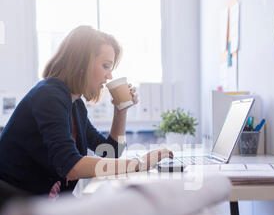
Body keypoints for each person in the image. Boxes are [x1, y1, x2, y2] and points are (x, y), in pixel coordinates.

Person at [0, 25, 172, 198]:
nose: (109, 76)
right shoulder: (49, 95)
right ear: (82, 63)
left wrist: (121, 110)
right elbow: (71, 165)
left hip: (39, 202)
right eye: (105, 66)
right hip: (14, 203)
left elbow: (110, 152)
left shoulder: (76, 105)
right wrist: (139, 164)